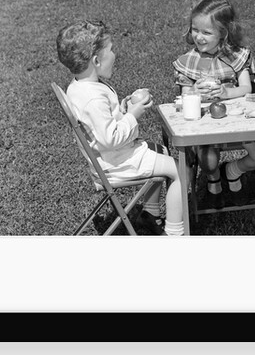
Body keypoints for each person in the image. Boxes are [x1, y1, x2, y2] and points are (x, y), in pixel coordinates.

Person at [56, 20, 185, 237]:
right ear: (97, 60)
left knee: (159, 150)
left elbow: (101, 124)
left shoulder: (81, 87)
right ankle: (175, 232)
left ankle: (150, 214)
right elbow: (110, 138)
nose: (115, 53)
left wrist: (122, 111)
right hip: (116, 163)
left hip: (110, 157)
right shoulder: (92, 99)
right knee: (183, 170)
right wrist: (133, 115)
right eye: (111, 49)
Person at [173, 0, 255, 210]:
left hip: (239, 119)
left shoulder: (236, 57)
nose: (199, 37)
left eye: (206, 32)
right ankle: (214, 184)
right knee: (209, 161)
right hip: (205, 123)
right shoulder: (188, 61)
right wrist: (194, 91)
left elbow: (247, 88)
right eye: (195, 30)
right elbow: (184, 97)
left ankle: (232, 171)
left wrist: (226, 93)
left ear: (223, 33)